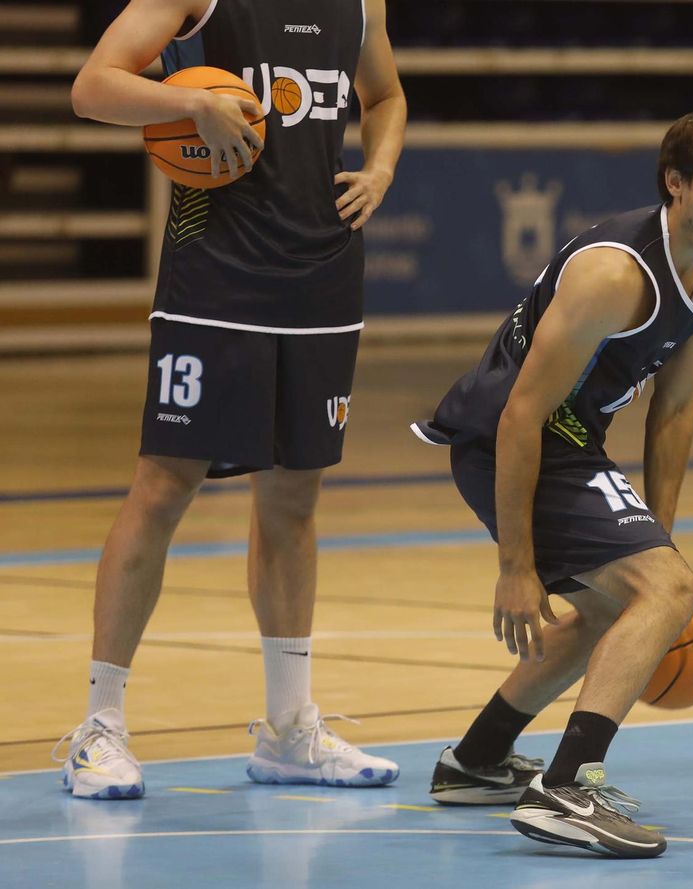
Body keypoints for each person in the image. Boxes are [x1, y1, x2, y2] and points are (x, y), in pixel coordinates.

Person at [410, 103, 693, 859]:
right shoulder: (614, 275)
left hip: (567, 441)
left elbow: (677, 407)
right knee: (661, 593)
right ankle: (566, 787)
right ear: (675, 184)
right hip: (506, 439)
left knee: (634, 596)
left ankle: (476, 762)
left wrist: (662, 544)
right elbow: (521, 412)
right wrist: (516, 567)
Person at [57, 0, 407, 799]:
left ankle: (290, 731)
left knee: (293, 501)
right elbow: (92, 86)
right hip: (215, 273)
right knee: (162, 485)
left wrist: (381, 167)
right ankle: (100, 728)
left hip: (322, 275)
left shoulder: (361, 4)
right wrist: (189, 102)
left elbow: (385, 96)